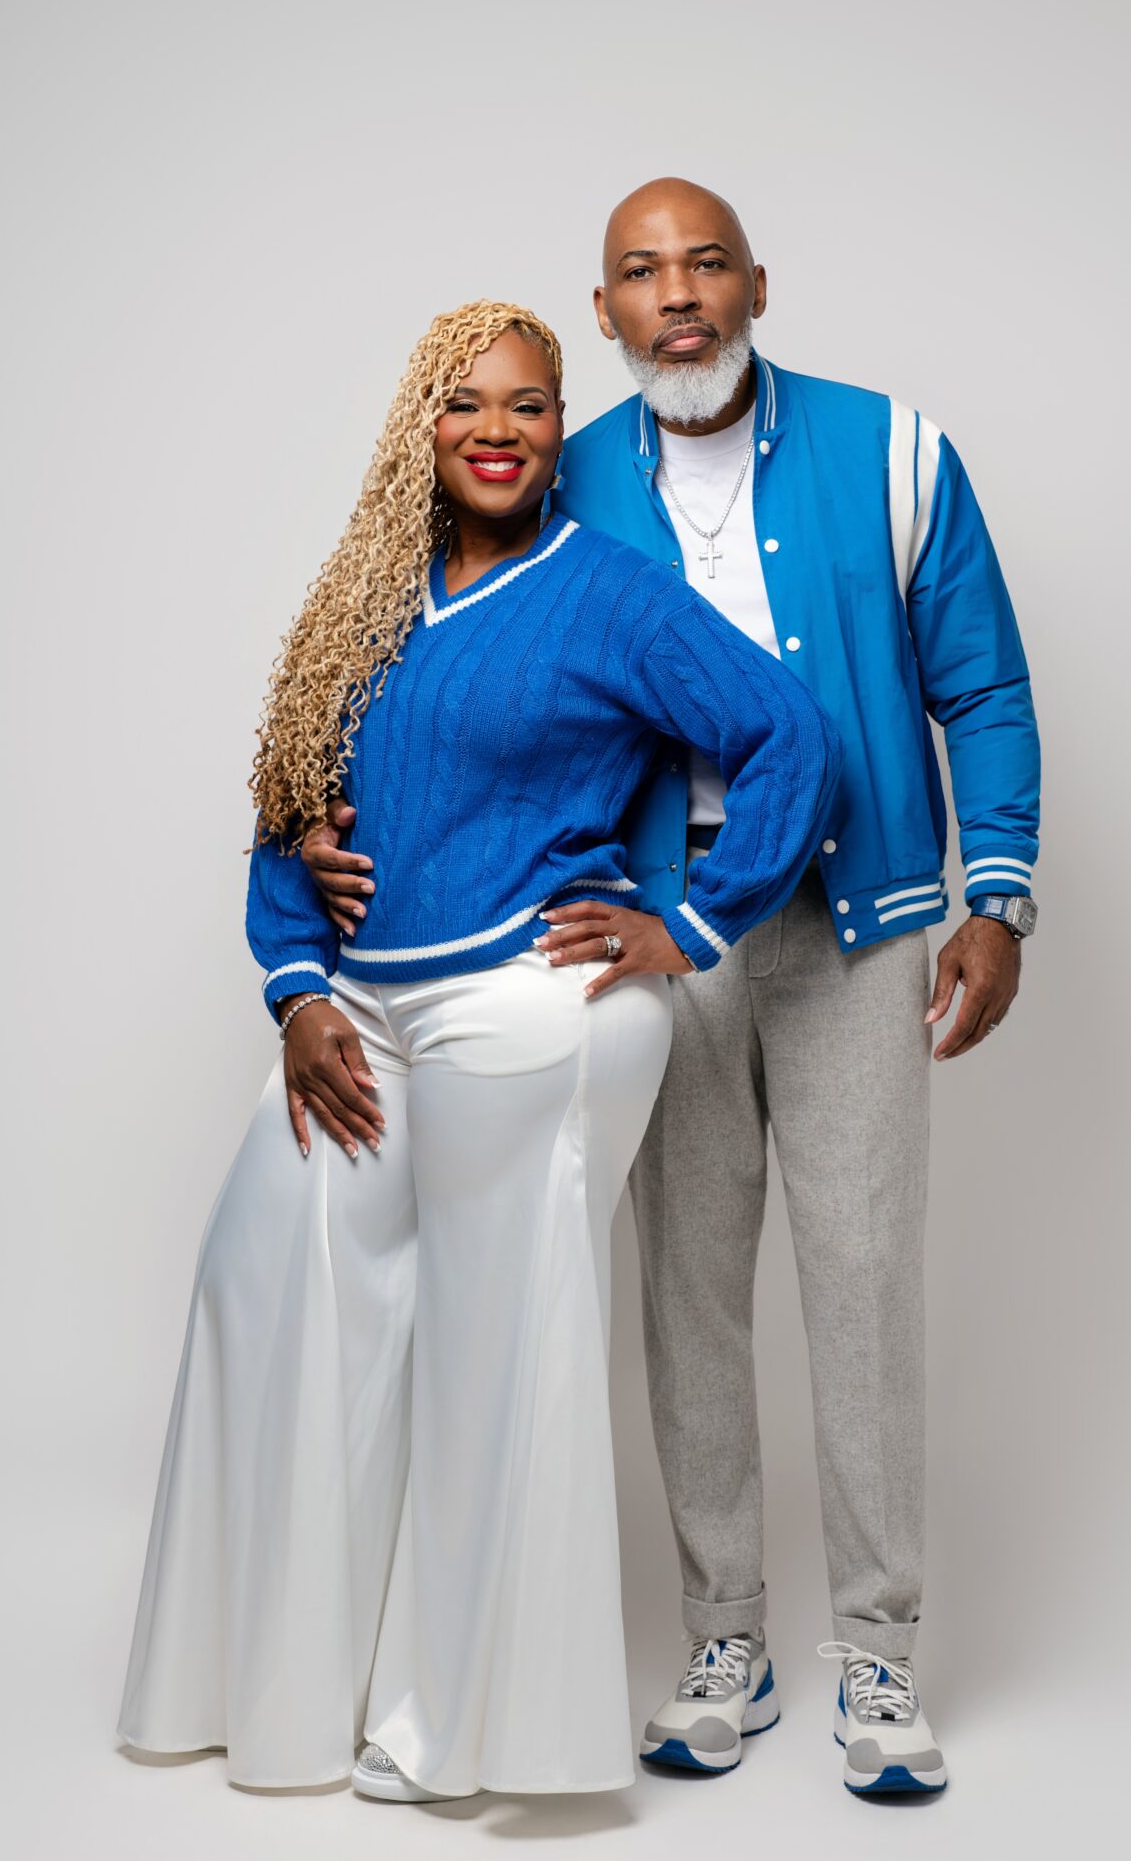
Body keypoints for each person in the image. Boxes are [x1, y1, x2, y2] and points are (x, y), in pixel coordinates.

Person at [301, 184, 1041, 1798]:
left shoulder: (892, 449)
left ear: (756, 283)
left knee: (861, 1281)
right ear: (608, 313)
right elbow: (416, 655)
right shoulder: (558, 476)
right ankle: (728, 1640)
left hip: (856, 922)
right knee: (683, 1293)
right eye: (642, 275)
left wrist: (1000, 892)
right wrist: (307, 818)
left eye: (705, 262)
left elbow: (978, 680)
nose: (679, 295)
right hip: (645, 930)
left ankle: (883, 1656)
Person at [116, 300, 841, 1801]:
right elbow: (285, 805)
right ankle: (275, 1689)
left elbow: (791, 736)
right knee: (276, 1289)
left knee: (491, 1348)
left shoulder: (611, 595)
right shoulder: (361, 596)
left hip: (533, 1002)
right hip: (361, 1008)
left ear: (553, 426)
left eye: (529, 403)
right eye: (466, 403)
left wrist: (692, 930)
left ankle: (463, 1731)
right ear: (420, 430)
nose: (499, 429)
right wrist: (298, 990)